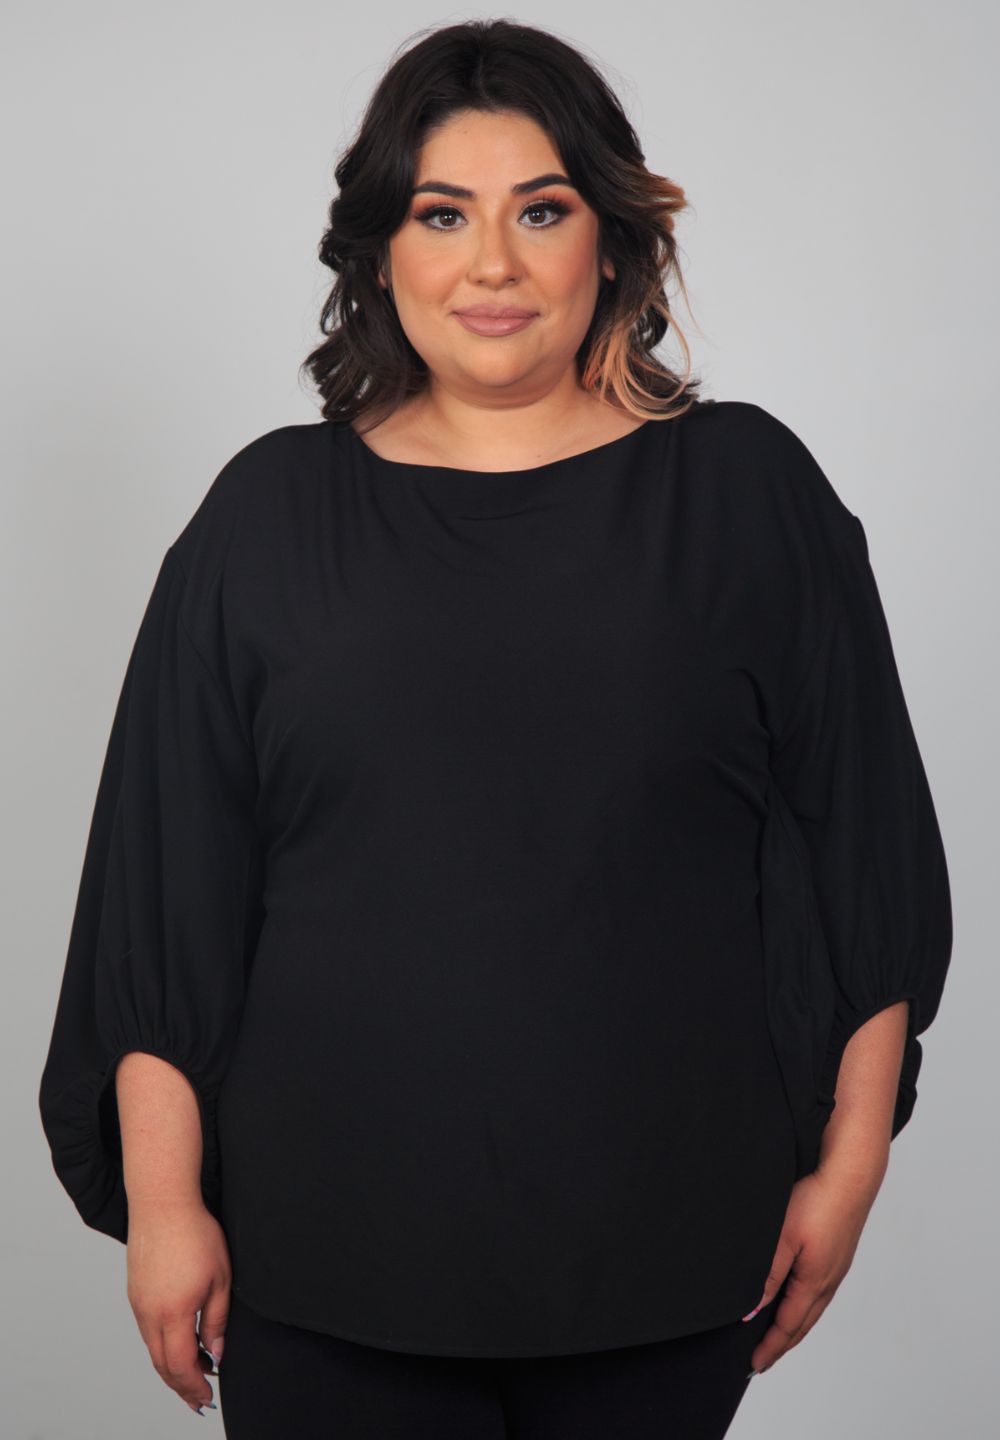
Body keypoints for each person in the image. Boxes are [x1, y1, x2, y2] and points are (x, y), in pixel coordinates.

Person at [38, 19, 953, 1439]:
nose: (492, 266)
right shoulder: (264, 521)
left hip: (667, 1246)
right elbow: (169, 894)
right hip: (320, 1254)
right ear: (378, 253)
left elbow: (865, 853)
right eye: (441, 214)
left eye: (541, 210)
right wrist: (164, 1206)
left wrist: (850, 1171)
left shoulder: (748, 498)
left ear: (613, 242)